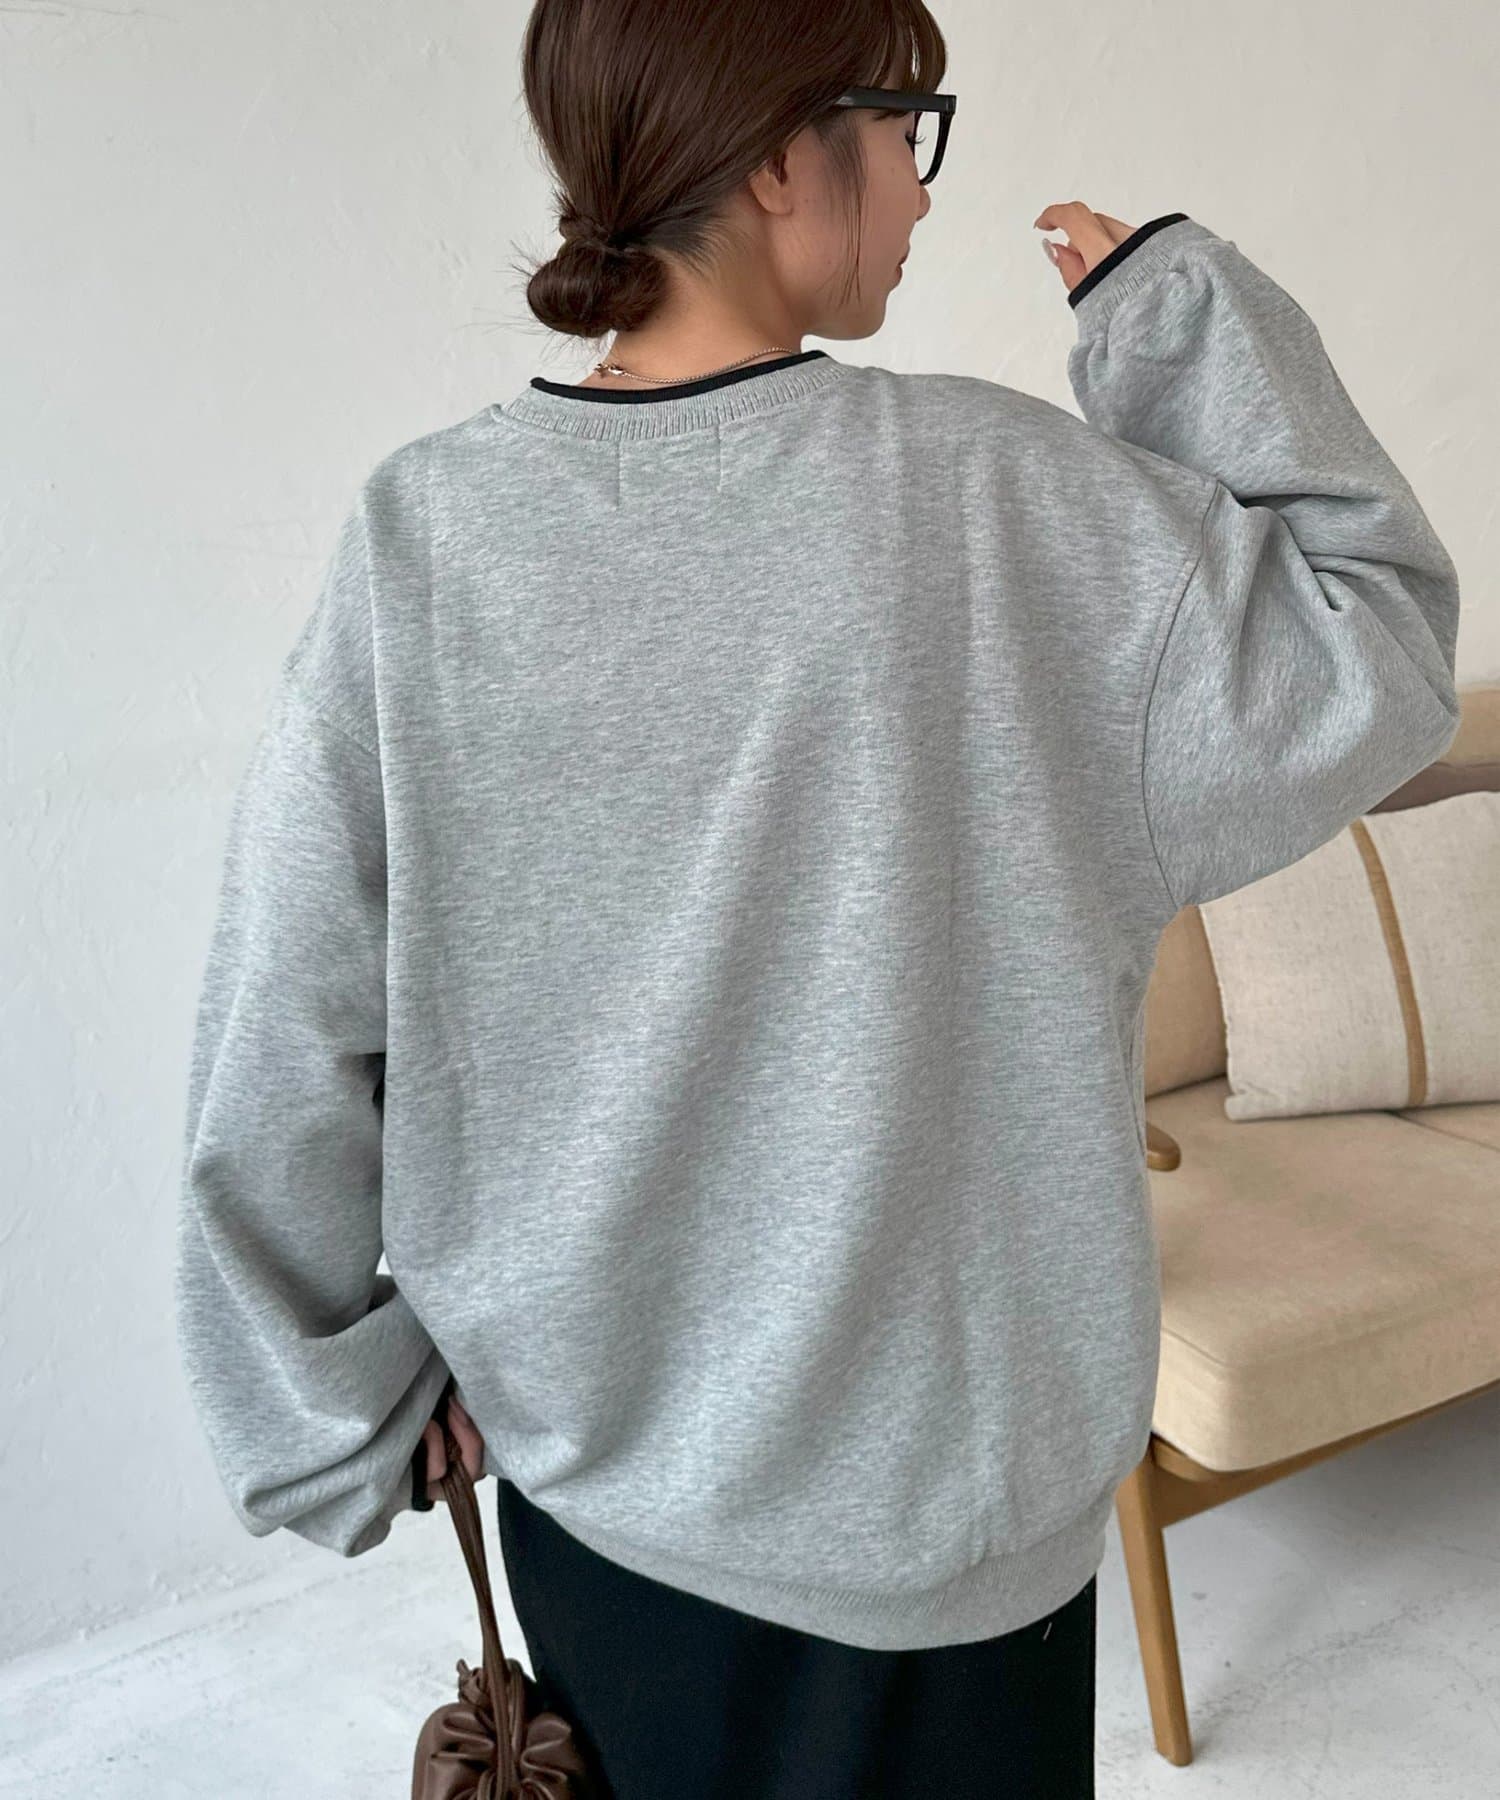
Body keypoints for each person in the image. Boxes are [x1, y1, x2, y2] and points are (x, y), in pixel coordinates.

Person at [173, 0, 1462, 1794]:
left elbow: (293, 1010)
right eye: (906, 130)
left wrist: (332, 1404)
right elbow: (1377, 645)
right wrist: (1173, 312)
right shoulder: (999, 501)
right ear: (785, 155)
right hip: (954, 1519)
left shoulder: (427, 536)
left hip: (597, 1494)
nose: (925, 194)